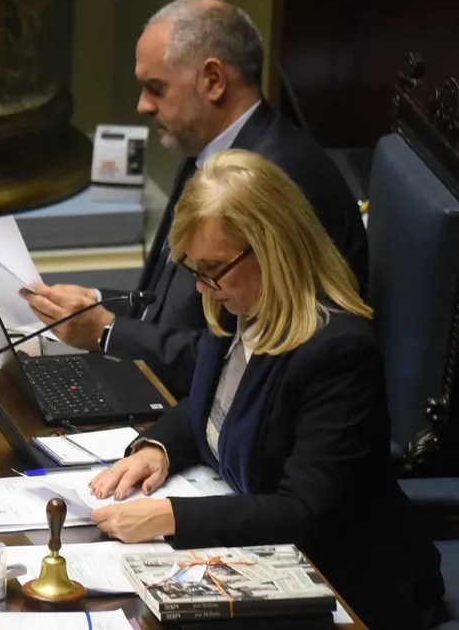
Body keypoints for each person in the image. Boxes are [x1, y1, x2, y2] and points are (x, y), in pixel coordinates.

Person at [86, 149, 443, 630]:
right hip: (257, 558)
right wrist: (160, 448)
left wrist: (171, 517)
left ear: (273, 249)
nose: (203, 288)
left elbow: (305, 512)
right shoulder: (237, 307)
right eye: (196, 270)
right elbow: (213, 408)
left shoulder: (339, 352)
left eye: (214, 268)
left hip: (347, 587)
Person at [21, 0, 367, 397]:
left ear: (213, 81)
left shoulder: (275, 181)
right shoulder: (205, 152)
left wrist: (107, 331)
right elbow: (168, 306)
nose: (142, 105)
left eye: (156, 88)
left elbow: (235, 357)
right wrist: (96, 304)